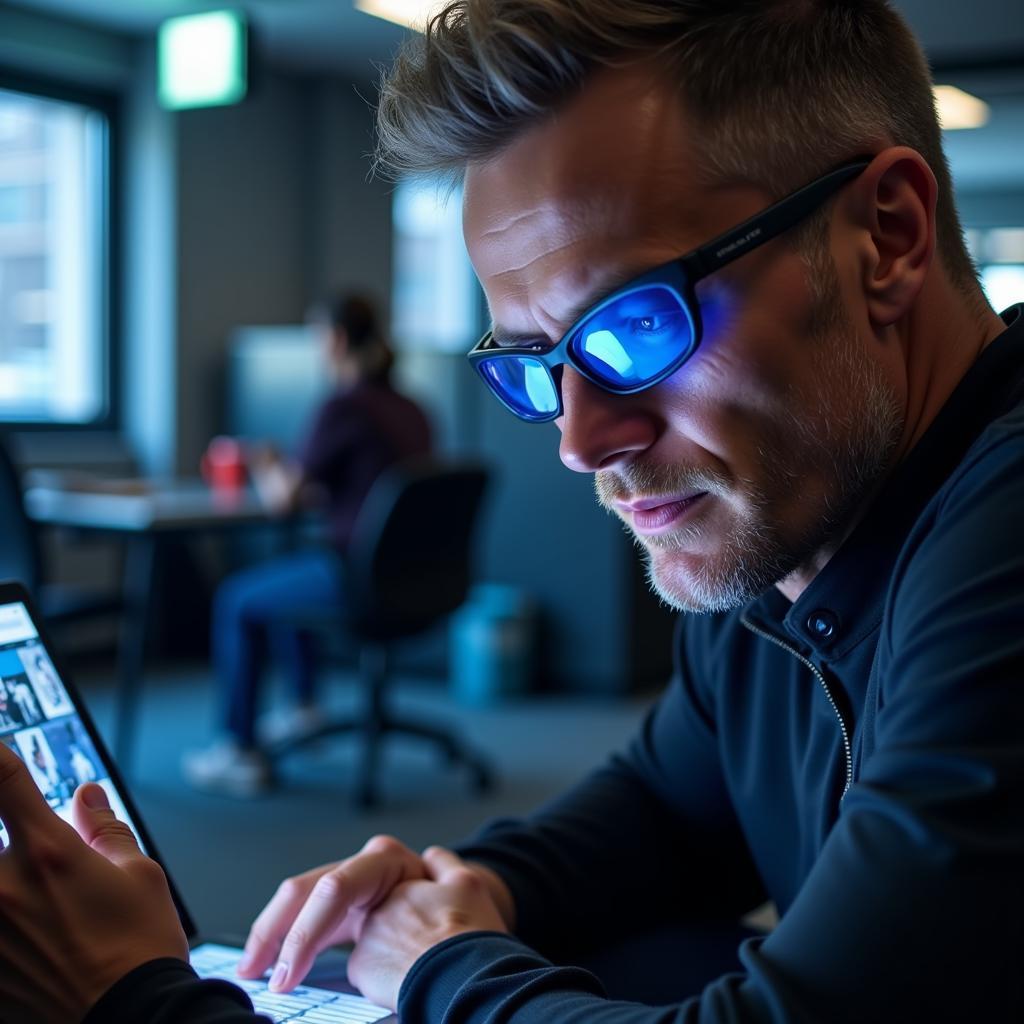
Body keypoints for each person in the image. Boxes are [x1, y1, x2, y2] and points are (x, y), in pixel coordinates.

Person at [0, 1, 1022, 1020]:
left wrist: (140, 999)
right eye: (537, 366)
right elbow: (668, 809)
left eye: (632, 323)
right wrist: (477, 887)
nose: (580, 441)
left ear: (885, 238)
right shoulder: (791, 536)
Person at [182, 292, 432, 796]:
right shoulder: (412, 408)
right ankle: (303, 709)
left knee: (238, 600)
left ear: (335, 340)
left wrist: (264, 461)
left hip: (357, 576)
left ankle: (238, 749)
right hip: (418, 577)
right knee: (294, 576)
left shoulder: (342, 407)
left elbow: (282, 500)